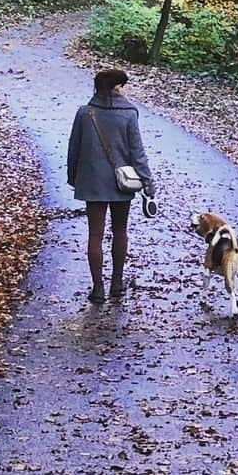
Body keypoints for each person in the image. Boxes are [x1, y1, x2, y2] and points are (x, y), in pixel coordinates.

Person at [66, 67, 155, 303]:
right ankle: (117, 283)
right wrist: (147, 181)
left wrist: (74, 178)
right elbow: (137, 152)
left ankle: (97, 289)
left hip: (92, 181)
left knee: (95, 235)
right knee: (120, 231)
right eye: (124, 85)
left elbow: (73, 148)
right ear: (118, 87)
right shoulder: (129, 114)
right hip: (121, 183)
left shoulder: (85, 113)